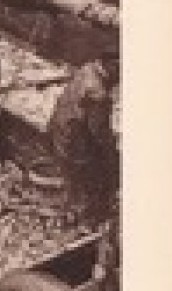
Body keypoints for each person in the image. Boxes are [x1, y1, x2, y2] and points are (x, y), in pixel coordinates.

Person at [46, 50, 120, 226]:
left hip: (58, 129)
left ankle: (74, 204)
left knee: (74, 178)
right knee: (95, 176)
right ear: (112, 68)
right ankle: (90, 218)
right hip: (73, 142)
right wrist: (113, 149)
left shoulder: (87, 69)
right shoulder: (98, 93)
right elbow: (99, 133)